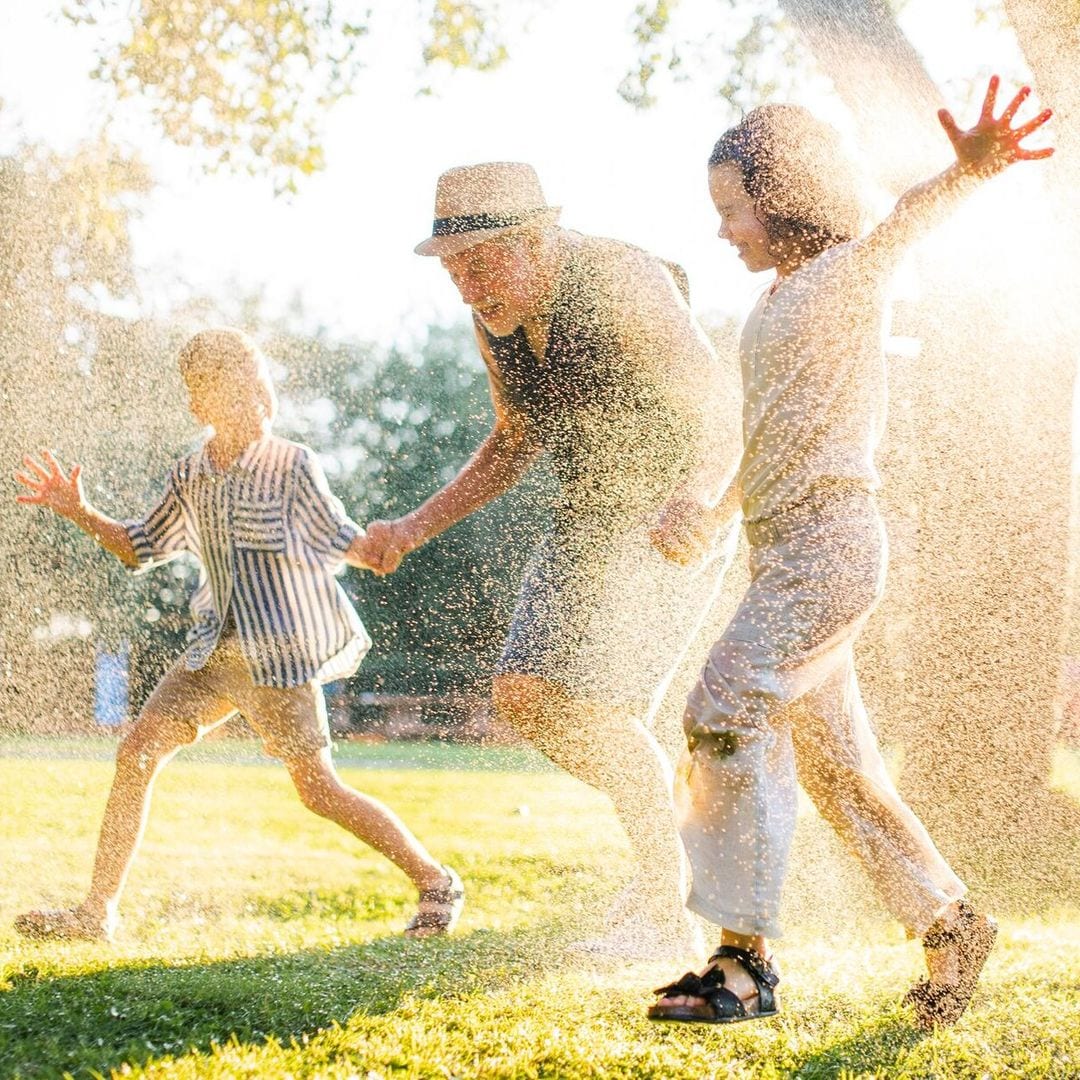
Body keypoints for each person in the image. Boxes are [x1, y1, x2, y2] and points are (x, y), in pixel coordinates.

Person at [646, 77, 1053, 1026]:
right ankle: (953, 922)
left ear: (782, 197)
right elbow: (771, 440)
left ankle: (742, 965)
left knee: (723, 701)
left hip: (831, 550)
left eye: (730, 209)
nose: (721, 232)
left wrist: (968, 170)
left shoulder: (844, 275)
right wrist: (710, 512)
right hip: (783, 553)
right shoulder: (770, 309)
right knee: (837, 772)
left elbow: (902, 223)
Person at [356, 162, 743, 958]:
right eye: (454, 269)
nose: (468, 287)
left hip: (675, 511)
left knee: (601, 707)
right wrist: (412, 527)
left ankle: (666, 896)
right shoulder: (495, 317)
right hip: (588, 516)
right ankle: (673, 839)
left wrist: (701, 497)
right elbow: (514, 440)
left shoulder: (621, 279)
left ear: (537, 237)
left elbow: (717, 401)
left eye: (483, 261)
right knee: (527, 694)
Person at [13, 328, 463, 942]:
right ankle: (96, 913)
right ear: (201, 405)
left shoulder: (292, 464)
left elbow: (344, 541)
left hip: (279, 657)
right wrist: (80, 510)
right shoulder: (190, 474)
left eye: (260, 381)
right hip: (213, 655)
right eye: (238, 388)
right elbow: (138, 548)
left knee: (318, 791)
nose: (259, 397)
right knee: (136, 751)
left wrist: (385, 547)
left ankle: (436, 880)